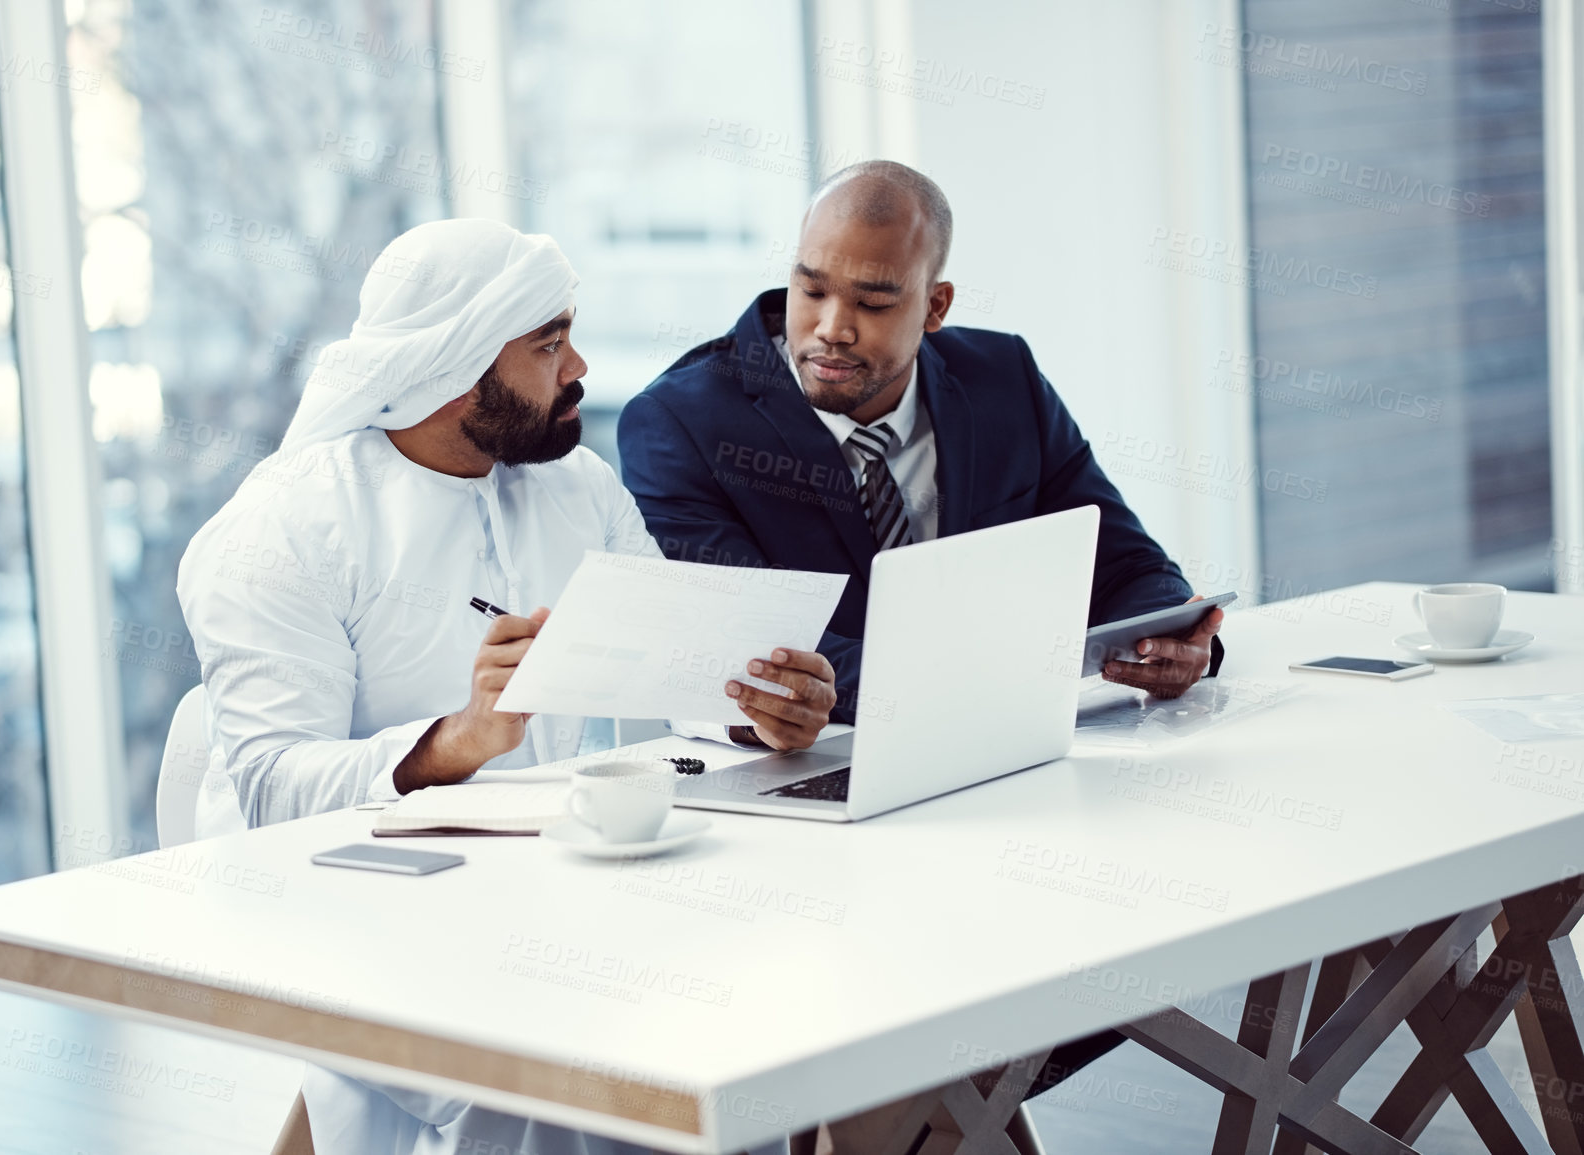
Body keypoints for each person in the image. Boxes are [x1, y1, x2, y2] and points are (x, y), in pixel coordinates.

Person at [177, 218, 833, 1155]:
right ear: (452, 369)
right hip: (342, 905)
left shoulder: (580, 490)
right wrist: (459, 740)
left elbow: (686, 675)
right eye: (547, 344)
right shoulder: (280, 531)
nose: (578, 367)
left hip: (543, 886)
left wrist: (767, 712)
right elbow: (273, 788)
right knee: (575, 1066)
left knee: (741, 1011)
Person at [617, 160, 1224, 720]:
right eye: (812, 290)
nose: (832, 329)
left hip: (1012, 743)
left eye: (873, 302)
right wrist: (988, 675)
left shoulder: (1004, 378)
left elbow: (1126, 566)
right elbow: (748, 646)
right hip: (826, 761)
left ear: (935, 306)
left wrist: (1168, 639)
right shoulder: (679, 425)